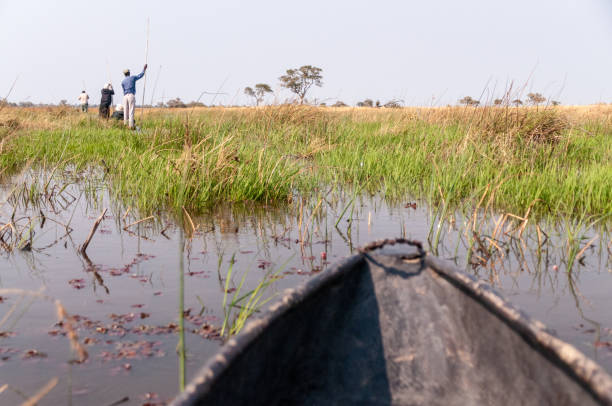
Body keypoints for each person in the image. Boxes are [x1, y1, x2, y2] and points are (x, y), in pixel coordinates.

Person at [121, 64, 147, 129]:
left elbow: (123, 90)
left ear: (124, 74)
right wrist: (144, 69)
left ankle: (125, 125)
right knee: (131, 111)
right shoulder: (132, 77)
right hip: (131, 95)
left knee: (125, 111)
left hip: (125, 96)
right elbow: (140, 75)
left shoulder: (123, 81)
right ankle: (131, 126)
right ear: (129, 73)